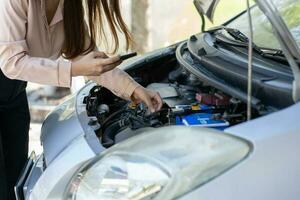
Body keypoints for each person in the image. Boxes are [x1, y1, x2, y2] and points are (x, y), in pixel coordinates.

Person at [0, 0, 163, 199]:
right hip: (9, 81)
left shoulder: (68, 7)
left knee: (16, 184)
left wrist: (134, 89)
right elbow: (12, 63)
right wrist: (73, 69)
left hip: (13, 95)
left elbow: (88, 58)